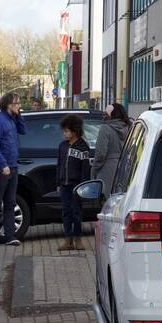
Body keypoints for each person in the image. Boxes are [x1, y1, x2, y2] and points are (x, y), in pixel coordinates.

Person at [0, 91, 26, 247]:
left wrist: (19, 114)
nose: (19, 105)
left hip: (13, 167)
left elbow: (23, 130)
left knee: (10, 202)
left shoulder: (13, 119)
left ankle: (10, 236)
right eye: (17, 103)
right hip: (0, 169)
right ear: (9, 105)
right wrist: (3, 164)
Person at [57, 114, 91, 251]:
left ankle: (78, 238)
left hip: (77, 186)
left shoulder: (83, 147)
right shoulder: (62, 146)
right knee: (66, 212)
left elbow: (85, 169)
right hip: (64, 185)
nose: (64, 134)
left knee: (76, 212)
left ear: (75, 131)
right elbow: (59, 165)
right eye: (63, 131)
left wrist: (83, 186)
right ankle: (68, 240)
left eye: (66, 131)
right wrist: (58, 182)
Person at [92, 102, 131, 199]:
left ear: (111, 115)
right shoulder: (129, 127)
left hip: (107, 170)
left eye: (105, 114)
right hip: (126, 169)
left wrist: (94, 169)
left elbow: (100, 154)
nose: (103, 116)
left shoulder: (105, 129)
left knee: (107, 202)